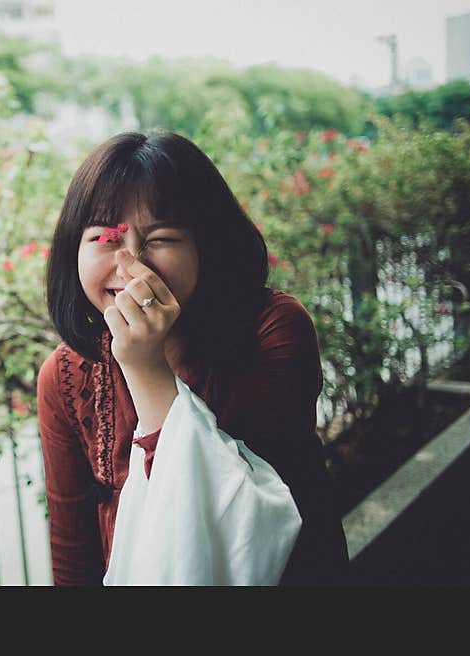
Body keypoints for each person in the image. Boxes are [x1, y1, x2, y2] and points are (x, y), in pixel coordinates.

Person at [37, 131, 349, 585]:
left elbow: (241, 524)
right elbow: (73, 557)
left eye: (161, 238)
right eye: (105, 238)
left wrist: (145, 369)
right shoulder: (65, 376)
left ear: (206, 245)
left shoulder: (273, 329)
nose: (131, 265)